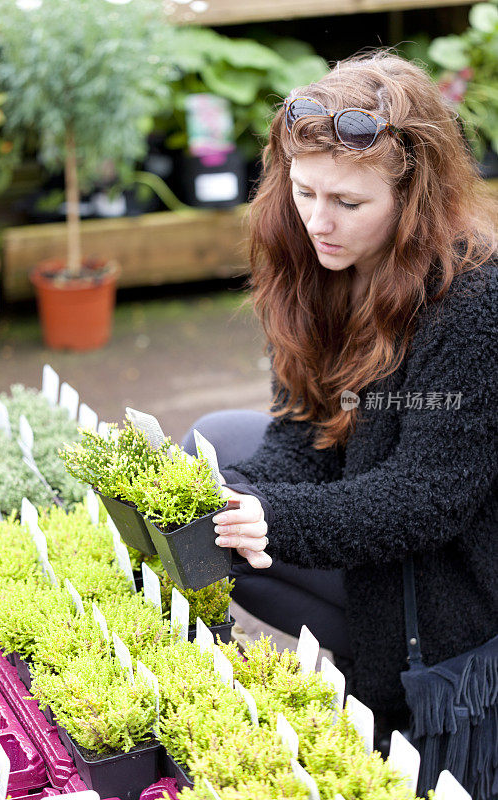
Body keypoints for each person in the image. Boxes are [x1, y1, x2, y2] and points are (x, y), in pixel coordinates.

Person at [182, 51, 497, 728]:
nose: (316, 222)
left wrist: (275, 518)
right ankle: (362, 651)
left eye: (347, 202)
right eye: (303, 192)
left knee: (250, 514)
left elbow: (426, 497)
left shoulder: (473, 299)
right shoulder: (314, 268)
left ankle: (400, 694)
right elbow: (303, 436)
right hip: (376, 532)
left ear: (413, 201)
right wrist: (232, 493)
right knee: (210, 452)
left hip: (458, 583)